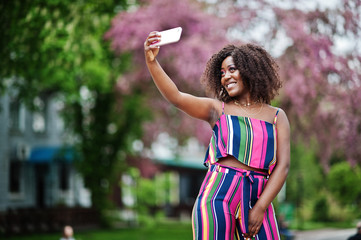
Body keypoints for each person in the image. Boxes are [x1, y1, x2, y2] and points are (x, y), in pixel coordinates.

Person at [144, 31, 290, 240]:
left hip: (259, 196)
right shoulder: (217, 109)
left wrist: (261, 207)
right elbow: (176, 97)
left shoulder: (277, 116)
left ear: (251, 70)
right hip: (218, 195)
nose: (226, 77)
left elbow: (282, 166)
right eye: (222, 73)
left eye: (232, 69)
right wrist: (152, 62)